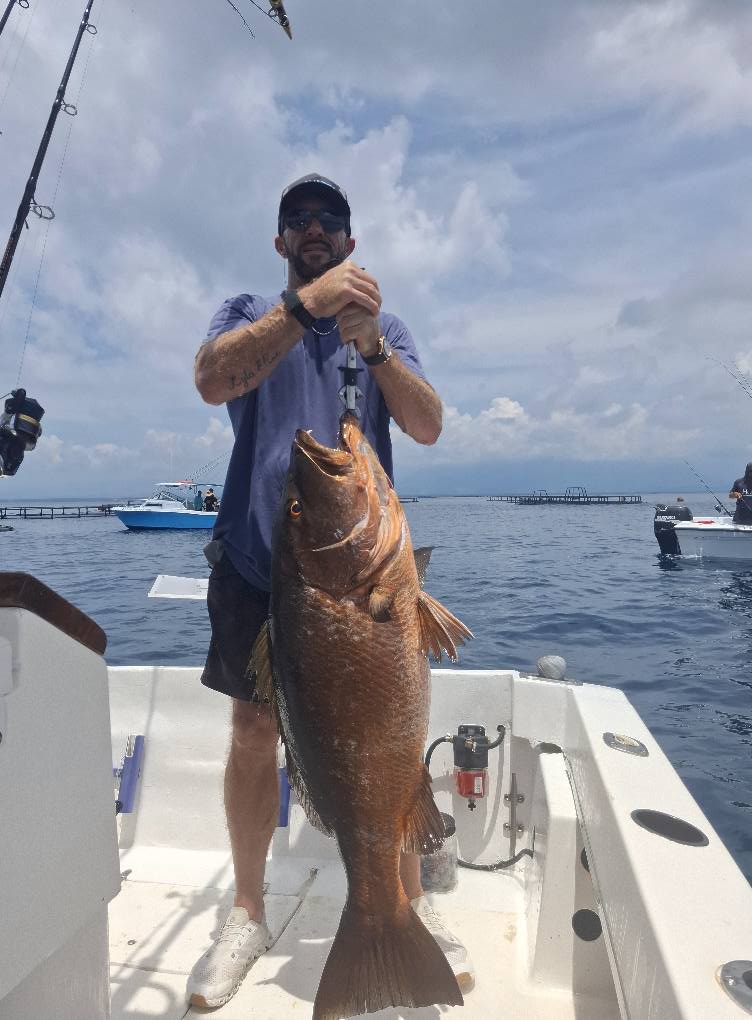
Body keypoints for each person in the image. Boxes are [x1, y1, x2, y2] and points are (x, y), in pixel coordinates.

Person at [186, 173, 474, 1009]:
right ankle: (247, 912)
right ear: (282, 243)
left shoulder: (383, 330)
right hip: (257, 566)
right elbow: (213, 379)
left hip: (370, 575)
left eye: (330, 220)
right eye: (298, 221)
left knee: (389, 729)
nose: (315, 228)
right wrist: (305, 308)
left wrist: (374, 345)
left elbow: (425, 424)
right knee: (250, 730)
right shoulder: (250, 312)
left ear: (352, 239)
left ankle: (407, 909)